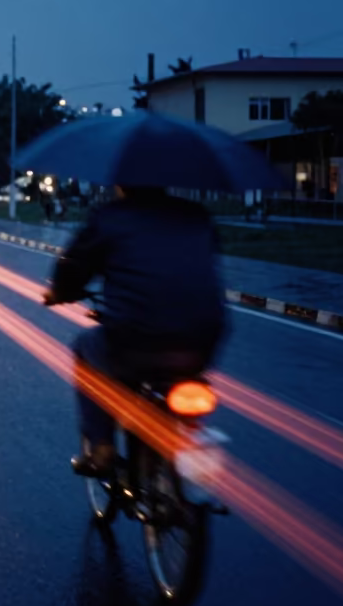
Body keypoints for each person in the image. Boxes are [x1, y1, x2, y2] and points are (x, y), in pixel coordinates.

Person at [42, 185, 226, 474]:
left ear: (121, 184)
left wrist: (59, 292)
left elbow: (74, 266)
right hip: (203, 338)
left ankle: (102, 446)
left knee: (86, 349)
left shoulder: (110, 218)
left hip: (135, 337)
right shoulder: (196, 215)